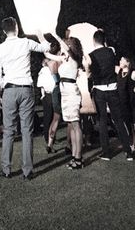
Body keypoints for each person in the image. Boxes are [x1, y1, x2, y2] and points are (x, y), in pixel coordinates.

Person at [0, 17, 50, 180]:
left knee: (8, 131)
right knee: (26, 130)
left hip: (9, 90)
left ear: (4, 31)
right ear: (16, 28)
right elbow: (46, 47)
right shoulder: (25, 42)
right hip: (25, 90)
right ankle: (27, 170)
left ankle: (6, 169)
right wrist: (40, 35)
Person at [90, 29, 134, 161]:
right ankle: (128, 151)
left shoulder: (91, 55)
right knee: (118, 120)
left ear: (93, 41)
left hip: (99, 89)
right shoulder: (111, 51)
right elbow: (109, 47)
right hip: (112, 88)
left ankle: (106, 152)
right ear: (104, 40)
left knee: (102, 121)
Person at [44, 35, 87, 170]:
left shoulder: (74, 59)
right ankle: (74, 156)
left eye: (67, 44)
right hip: (64, 93)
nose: (64, 46)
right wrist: (42, 38)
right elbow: (46, 54)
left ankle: (79, 158)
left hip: (72, 93)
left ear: (72, 47)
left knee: (75, 124)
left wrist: (54, 33)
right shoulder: (64, 59)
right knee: (71, 124)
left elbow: (65, 47)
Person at [36, 59, 55, 148]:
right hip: (50, 94)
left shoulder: (43, 72)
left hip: (48, 94)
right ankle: (49, 137)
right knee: (51, 118)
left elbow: (41, 85)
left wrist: (43, 94)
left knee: (48, 117)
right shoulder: (46, 71)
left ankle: (49, 137)